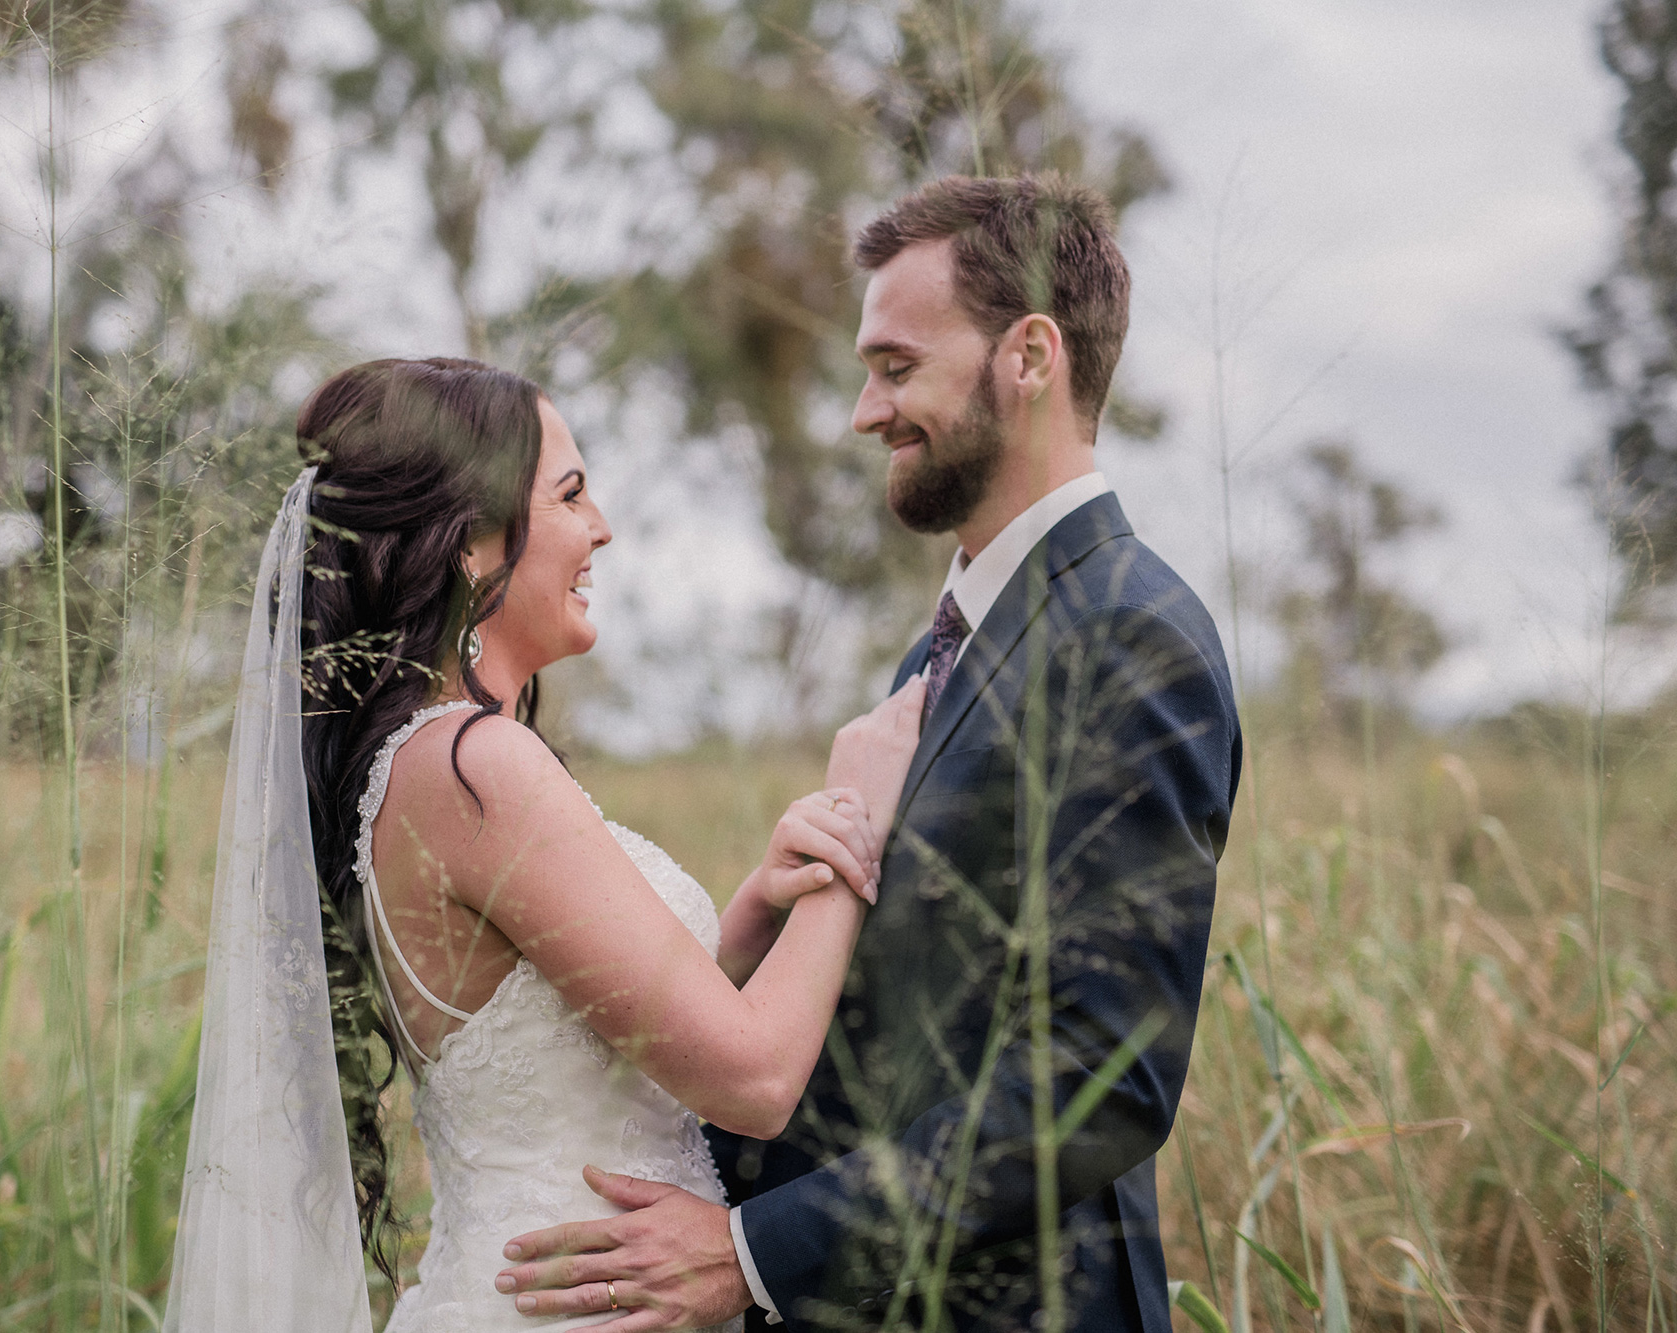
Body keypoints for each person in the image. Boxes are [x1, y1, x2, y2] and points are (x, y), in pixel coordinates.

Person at [496, 174, 1243, 1332]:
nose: (861, 410)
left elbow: (1100, 1082)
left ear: (1029, 355)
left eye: (895, 367)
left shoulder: (1126, 634)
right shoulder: (945, 649)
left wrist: (749, 1254)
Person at [163, 357, 926, 1333]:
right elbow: (755, 1081)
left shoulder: (424, 766)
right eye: (568, 495)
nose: (600, 525)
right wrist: (852, 831)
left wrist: (757, 907)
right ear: (472, 547)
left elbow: (589, 1026)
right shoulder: (479, 768)